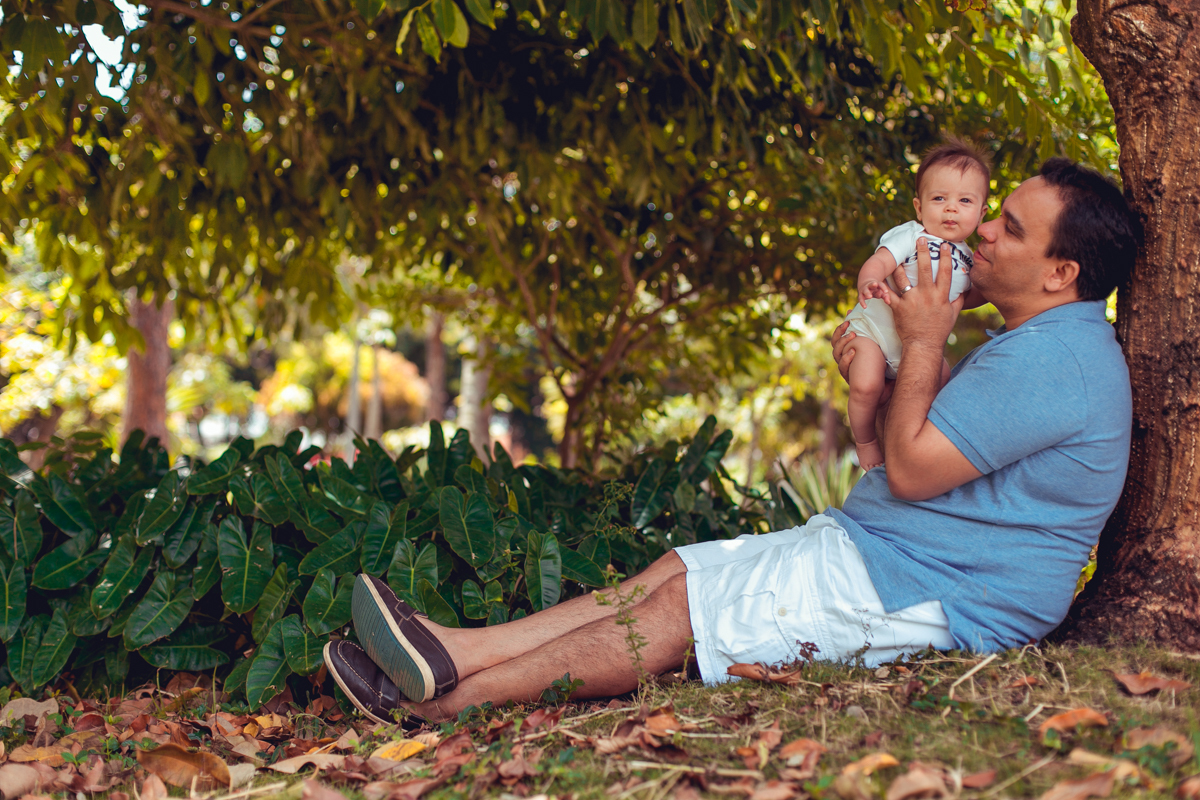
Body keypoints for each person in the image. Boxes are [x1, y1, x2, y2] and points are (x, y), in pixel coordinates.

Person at [322, 158, 1139, 724]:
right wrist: (880, 372)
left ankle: (435, 707)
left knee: (684, 609)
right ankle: (456, 650)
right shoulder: (1033, 342)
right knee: (676, 569)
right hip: (891, 547)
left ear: (1061, 272)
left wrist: (924, 341)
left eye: (1011, 227)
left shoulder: (1058, 359)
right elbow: (909, 449)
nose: (982, 230)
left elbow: (918, 471)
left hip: (941, 592)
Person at [844, 139, 992, 469]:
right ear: (919, 207)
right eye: (939, 199)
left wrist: (991, 292)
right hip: (874, 334)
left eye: (964, 200)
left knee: (943, 383)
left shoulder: (968, 260)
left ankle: (920, 447)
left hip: (919, 351)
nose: (951, 208)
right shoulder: (912, 236)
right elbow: (879, 262)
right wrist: (869, 281)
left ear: (982, 213)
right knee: (866, 385)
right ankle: (865, 441)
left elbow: (964, 298)